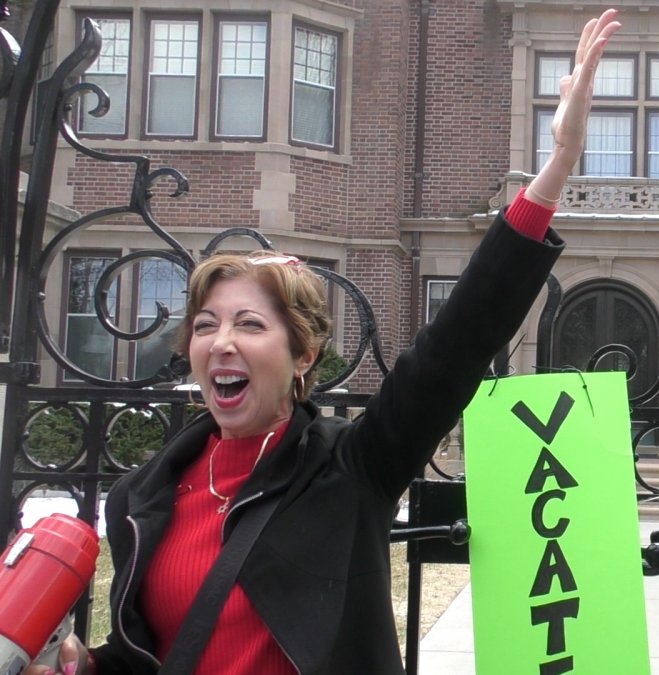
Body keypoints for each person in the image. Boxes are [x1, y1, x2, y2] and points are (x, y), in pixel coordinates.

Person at [30, 9, 623, 675]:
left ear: (303, 355)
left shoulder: (350, 469)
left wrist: (557, 166)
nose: (221, 341)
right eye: (205, 325)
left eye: (249, 325)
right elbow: (159, 655)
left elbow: (456, 344)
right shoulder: (142, 497)